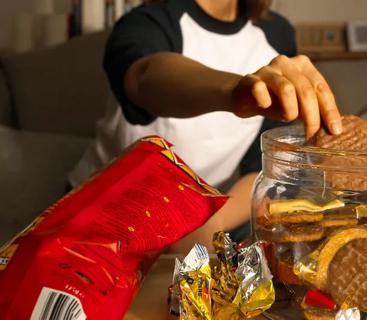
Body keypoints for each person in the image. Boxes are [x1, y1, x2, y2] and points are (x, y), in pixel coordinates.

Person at [69, 0, 342, 252]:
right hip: (104, 217)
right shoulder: (149, 21)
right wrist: (234, 91)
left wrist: (211, 221)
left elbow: (262, 162)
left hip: (210, 215)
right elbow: (145, 78)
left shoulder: (276, 33)